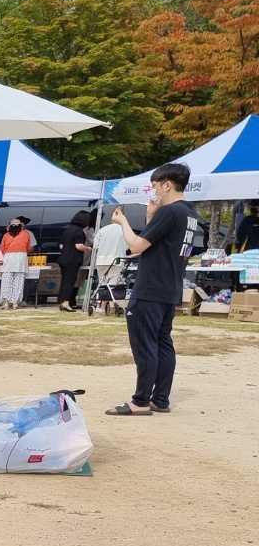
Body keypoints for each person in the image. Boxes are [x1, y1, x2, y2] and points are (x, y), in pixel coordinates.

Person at [106, 162, 199, 416]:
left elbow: (137, 246)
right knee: (162, 343)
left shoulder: (170, 212)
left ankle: (140, 401)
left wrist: (122, 222)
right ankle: (160, 399)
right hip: (169, 287)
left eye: (155, 185)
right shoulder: (189, 212)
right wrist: (150, 216)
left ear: (167, 185)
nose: (153, 190)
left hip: (151, 287)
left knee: (145, 345)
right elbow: (157, 243)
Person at [57, 210, 93, 312]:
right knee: (70, 282)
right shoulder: (79, 231)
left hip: (63, 259)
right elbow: (79, 246)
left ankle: (62, 302)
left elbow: (61, 246)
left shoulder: (67, 230)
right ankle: (66, 303)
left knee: (64, 281)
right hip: (73, 260)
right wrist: (88, 249)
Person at [0, 217, 33, 309]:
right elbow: (28, 248)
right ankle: (15, 302)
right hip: (21, 258)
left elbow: (2, 248)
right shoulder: (26, 234)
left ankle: (6, 302)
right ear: (20, 226)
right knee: (18, 281)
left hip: (8, 257)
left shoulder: (6, 235)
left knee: (6, 280)